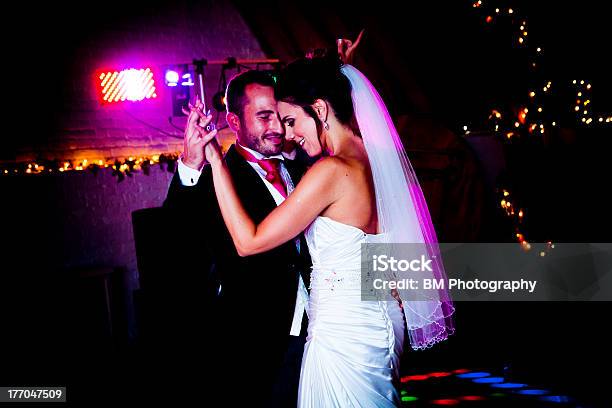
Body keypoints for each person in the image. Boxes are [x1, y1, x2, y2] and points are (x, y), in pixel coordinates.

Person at [191, 53, 455, 407]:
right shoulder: (376, 159)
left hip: (342, 334)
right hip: (380, 326)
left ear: (320, 109)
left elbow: (248, 242)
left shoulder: (331, 171)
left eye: (291, 120)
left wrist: (215, 161)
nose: (287, 134)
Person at [163, 70, 311, 406]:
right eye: (263, 116)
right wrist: (190, 162)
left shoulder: (304, 169)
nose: (277, 127)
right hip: (256, 342)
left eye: (279, 114)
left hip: (318, 332)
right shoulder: (218, 175)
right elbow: (175, 236)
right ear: (234, 120)